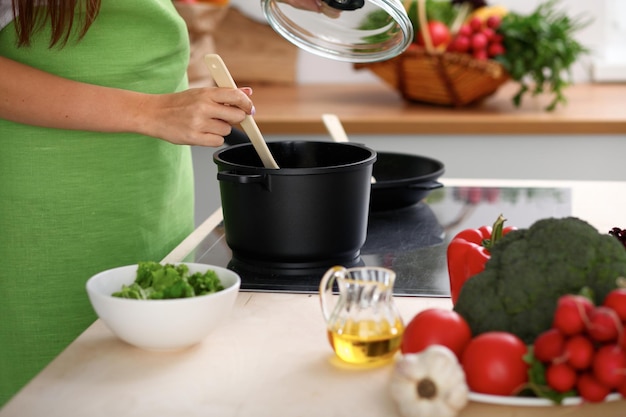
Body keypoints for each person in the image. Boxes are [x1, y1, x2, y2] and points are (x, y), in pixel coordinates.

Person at [0, 0, 323, 407]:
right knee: (55, 391)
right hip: (49, 200)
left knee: (146, 383)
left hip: (151, 185)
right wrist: (150, 112)